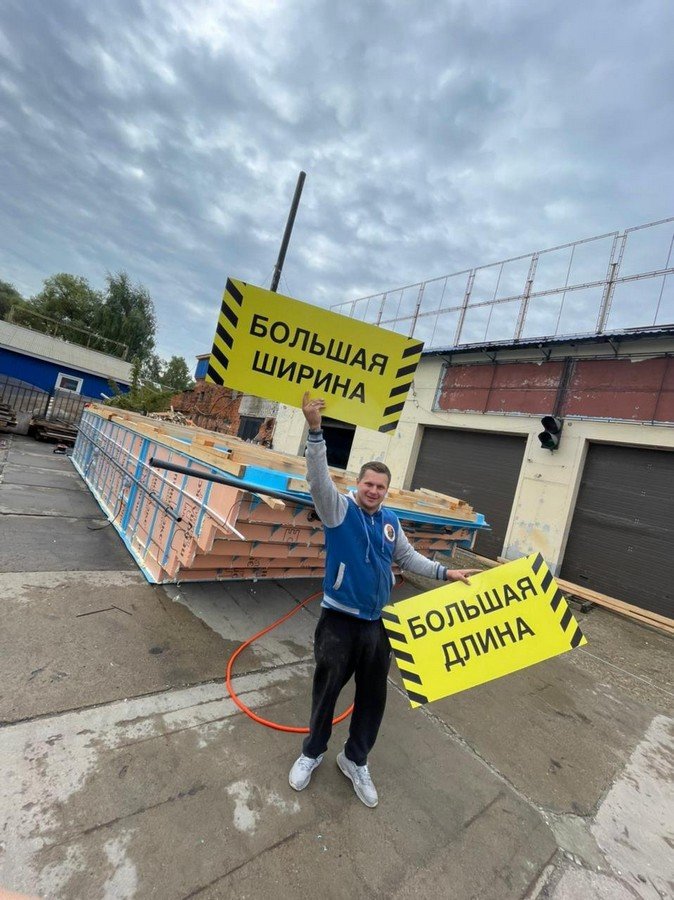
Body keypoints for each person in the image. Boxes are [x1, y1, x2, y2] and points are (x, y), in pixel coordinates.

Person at [289, 392, 478, 808]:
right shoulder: (338, 510)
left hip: (377, 624)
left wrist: (446, 573)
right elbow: (318, 481)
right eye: (368, 484)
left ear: (387, 491)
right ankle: (312, 752)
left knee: (373, 699)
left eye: (380, 487)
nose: (373, 491)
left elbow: (407, 558)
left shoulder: (391, 522)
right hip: (339, 621)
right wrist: (316, 431)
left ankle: (355, 759)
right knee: (327, 692)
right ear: (358, 485)